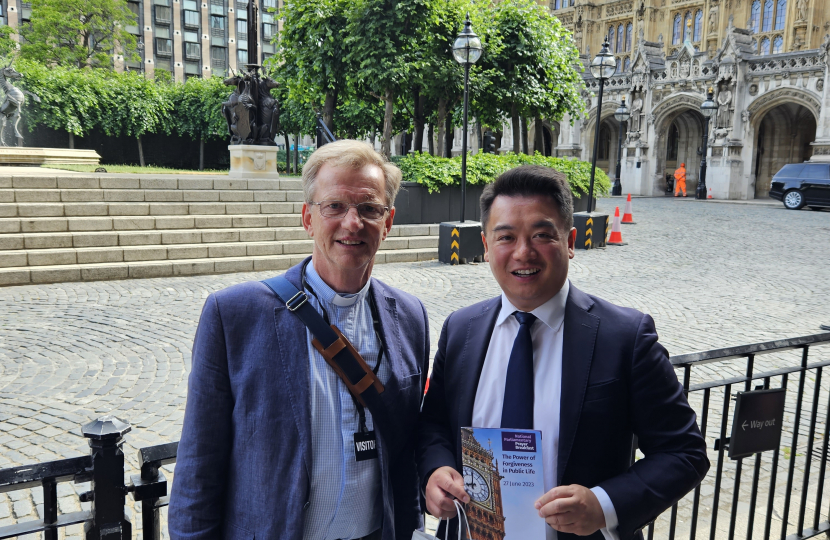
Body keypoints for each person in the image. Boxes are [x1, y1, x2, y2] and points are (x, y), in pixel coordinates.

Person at [417, 165, 709, 540]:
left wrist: (604, 505)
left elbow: (684, 452)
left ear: (570, 241)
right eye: (506, 237)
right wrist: (434, 472)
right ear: (487, 247)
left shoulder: (624, 336)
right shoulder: (462, 329)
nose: (523, 253)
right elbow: (435, 425)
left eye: (542, 235)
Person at [169, 140, 429, 540]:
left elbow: (406, 450)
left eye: (369, 208)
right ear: (308, 218)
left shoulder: (409, 317)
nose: (352, 222)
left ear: (388, 222)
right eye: (335, 206)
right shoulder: (235, 315)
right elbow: (199, 463)